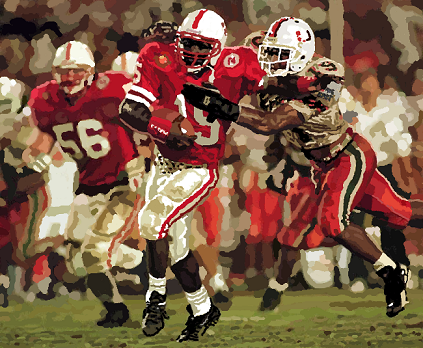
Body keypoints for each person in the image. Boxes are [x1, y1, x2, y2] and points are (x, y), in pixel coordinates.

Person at [228, 17, 423, 318]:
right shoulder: (271, 76)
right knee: (402, 213)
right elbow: (277, 127)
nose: (271, 61)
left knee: (334, 223)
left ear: (301, 55)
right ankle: (277, 287)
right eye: (271, 53)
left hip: (347, 154)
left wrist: (220, 106)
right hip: (319, 165)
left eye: (280, 55)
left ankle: (392, 272)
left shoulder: (324, 78)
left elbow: (271, 122)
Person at [119, 9, 267, 342]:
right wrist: (163, 128)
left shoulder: (239, 62)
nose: (194, 53)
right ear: (178, 39)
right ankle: (202, 310)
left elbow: (270, 98)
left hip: (201, 167)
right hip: (163, 161)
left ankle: (154, 299)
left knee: (151, 220)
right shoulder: (160, 56)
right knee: (176, 246)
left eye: (203, 47)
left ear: (219, 47)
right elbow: (129, 110)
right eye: (188, 43)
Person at [27, 41, 146, 327]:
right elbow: (43, 139)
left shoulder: (113, 88)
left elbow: (147, 120)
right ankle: (134, 264)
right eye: (63, 71)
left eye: (76, 71)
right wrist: (32, 157)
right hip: (88, 185)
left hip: (123, 182)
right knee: (76, 261)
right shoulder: (44, 99)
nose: (69, 78)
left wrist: (144, 157)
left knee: (94, 252)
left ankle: (121, 304)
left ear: (90, 71)